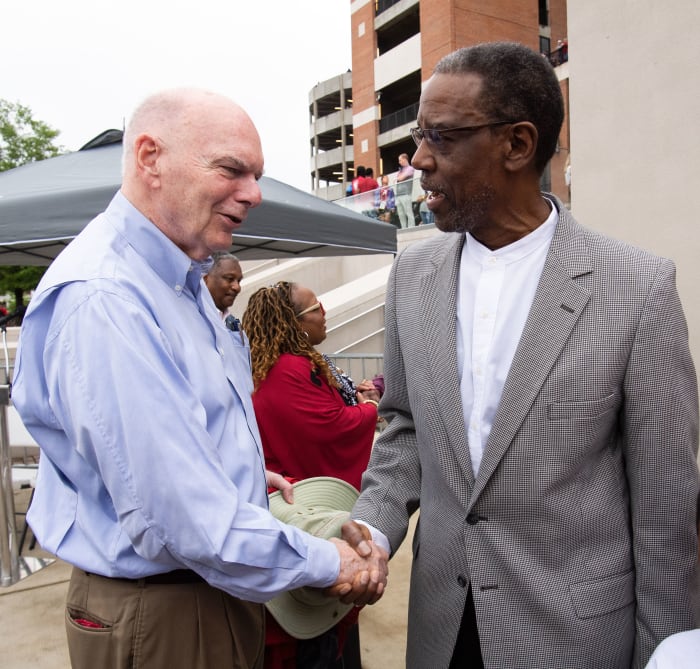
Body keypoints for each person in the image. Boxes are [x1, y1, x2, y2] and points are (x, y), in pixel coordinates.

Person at [345, 42, 699, 668]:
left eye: (443, 138)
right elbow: (403, 429)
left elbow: (666, 510)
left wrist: (668, 653)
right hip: (441, 632)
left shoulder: (637, 288)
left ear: (516, 145)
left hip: (574, 639)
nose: (418, 162)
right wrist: (371, 528)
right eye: (418, 138)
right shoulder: (412, 275)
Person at [11, 88, 388, 669]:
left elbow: (164, 449)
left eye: (257, 175)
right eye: (231, 169)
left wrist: (238, 472)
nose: (254, 194)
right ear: (149, 159)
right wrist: (332, 561)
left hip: (202, 596)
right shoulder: (109, 299)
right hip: (164, 611)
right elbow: (184, 519)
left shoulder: (176, 284)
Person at [242, 281, 380, 668]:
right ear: (295, 323)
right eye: (316, 307)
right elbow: (328, 428)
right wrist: (368, 409)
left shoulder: (274, 364)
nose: (325, 312)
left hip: (292, 512)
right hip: (302, 513)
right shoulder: (289, 368)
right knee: (313, 638)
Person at [203, 251, 243, 317]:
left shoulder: (231, 322)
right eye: (230, 278)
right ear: (205, 280)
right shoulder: (191, 317)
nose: (237, 287)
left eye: (239, 281)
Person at [395, 153, 415, 228]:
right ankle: (404, 228)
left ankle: (412, 228)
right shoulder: (401, 171)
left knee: (408, 213)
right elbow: (397, 179)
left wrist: (399, 178)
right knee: (401, 214)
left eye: (400, 160)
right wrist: (399, 177)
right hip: (399, 195)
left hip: (406, 194)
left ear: (404, 159)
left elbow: (400, 178)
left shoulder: (410, 168)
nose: (399, 162)